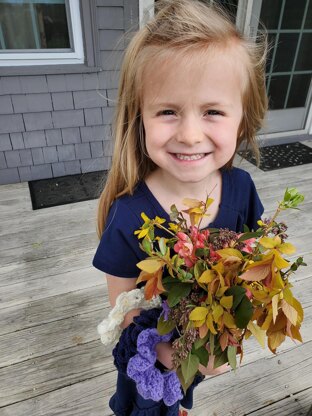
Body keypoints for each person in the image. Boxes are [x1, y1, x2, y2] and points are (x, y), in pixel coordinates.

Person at [93, 0, 268, 414]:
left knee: (183, 399)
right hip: (152, 356)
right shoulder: (130, 214)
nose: (190, 135)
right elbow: (123, 314)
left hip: (205, 341)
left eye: (213, 112)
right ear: (141, 118)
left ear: (242, 119)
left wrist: (229, 333)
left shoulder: (241, 190)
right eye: (168, 111)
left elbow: (256, 264)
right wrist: (172, 353)